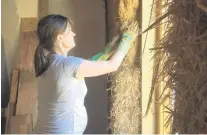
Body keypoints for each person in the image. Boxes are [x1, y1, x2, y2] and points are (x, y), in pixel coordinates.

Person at [33, 14, 138, 134]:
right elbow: (112, 65)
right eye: (70, 31)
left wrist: (107, 52)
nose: (74, 34)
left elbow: (85, 66)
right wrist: (126, 40)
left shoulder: (50, 63)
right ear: (60, 38)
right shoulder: (67, 65)